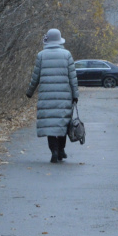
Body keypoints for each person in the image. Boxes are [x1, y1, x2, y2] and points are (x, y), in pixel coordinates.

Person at [26, 28, 79, 163]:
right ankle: (61, 149)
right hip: (64, 98)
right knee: (62, 124)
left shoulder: (41, 55)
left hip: (46, 97)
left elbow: (35, 77)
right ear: (59, 40)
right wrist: (75, 95)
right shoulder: (67, 55)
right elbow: (73, 78)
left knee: (50, 124)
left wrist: (30, 92)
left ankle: (54, 151)